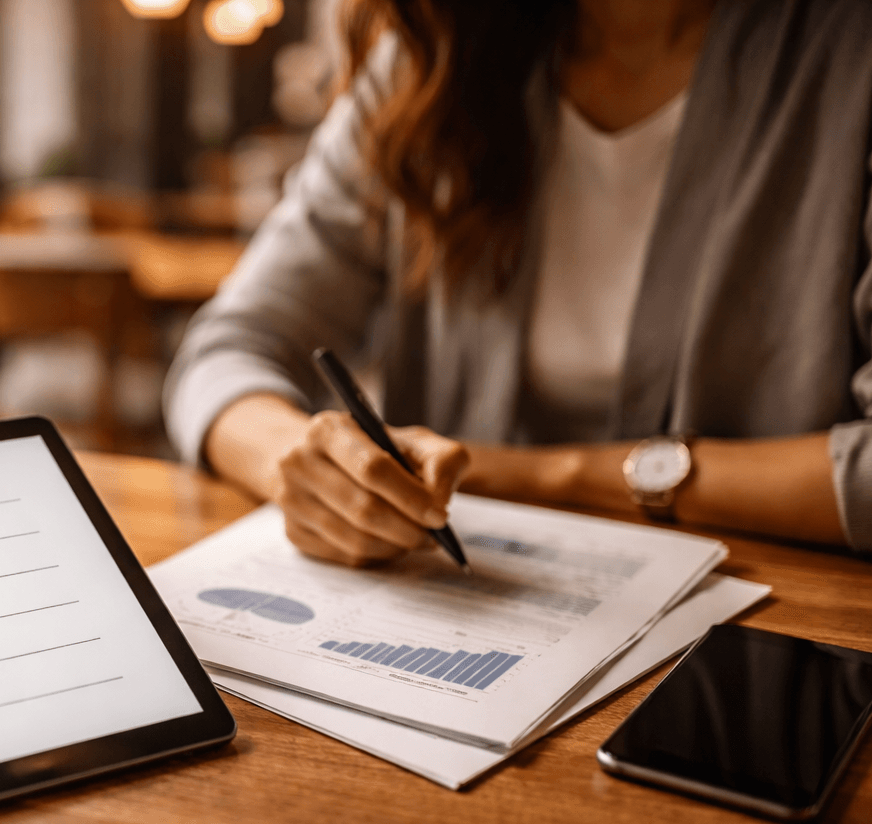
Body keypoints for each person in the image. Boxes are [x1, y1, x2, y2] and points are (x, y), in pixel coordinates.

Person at [163, 0, 872, 566]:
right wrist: (298, 461)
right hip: (461, 612)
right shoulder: (428, 69)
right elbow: (228, 349)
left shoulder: (847, 58)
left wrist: (539, 476)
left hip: (776, 638)